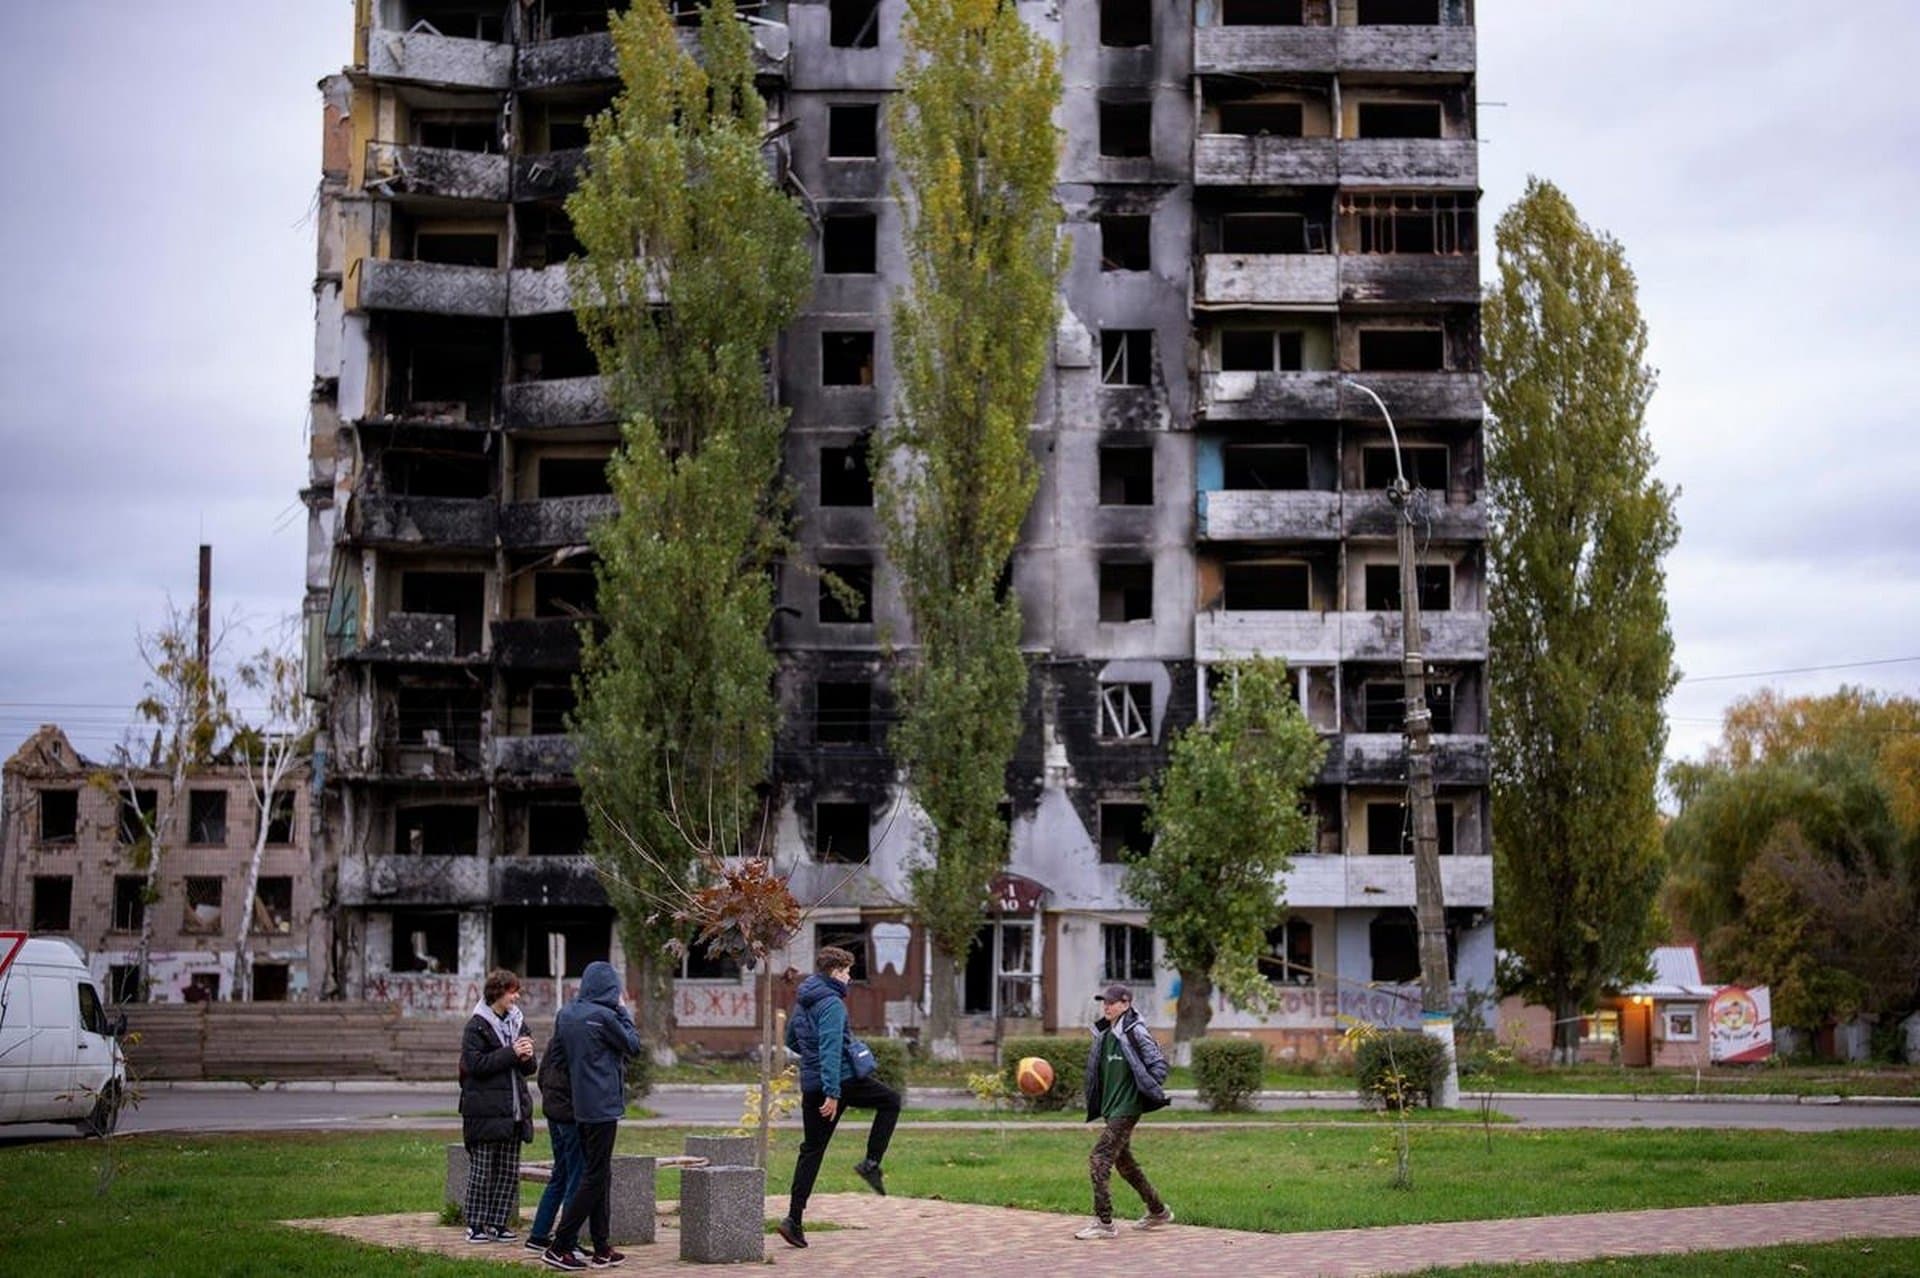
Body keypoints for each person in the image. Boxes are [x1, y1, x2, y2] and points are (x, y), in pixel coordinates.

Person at [775, 945, 901, 1249]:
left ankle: (793, 1220)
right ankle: (871, 1163)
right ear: (834, 972)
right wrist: (832, 1092)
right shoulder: (831, 1003)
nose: (848, 977)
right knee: (891, 1101)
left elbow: (792, 1038)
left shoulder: (805, 998)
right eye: (846, 971)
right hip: (839, 1082)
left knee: (812, 1150)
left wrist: (815, 1065)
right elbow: (831, 1048)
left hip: (813, 1083)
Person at [541, 960, 642, 1273]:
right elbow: (633, 1045)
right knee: (595, 1176)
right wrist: (623, 1010)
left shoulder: (567, 1014)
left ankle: (601, 1247)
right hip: (603, 1107)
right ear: (611, 988)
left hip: (580, 1107)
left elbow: (558, 1057)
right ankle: (560, 1245)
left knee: (600, 1174)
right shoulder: (606, 1016)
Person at [1074, 983, 1173, 1240]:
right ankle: (1158, 1211)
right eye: (1104, 1002)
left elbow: (1158, 1065)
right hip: (1111, 1107)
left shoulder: (1135, 1031)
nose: (1106, 1006)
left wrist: (1146, 1089)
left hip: (1127, 1108)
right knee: (1125, 1164)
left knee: (1099, 1159)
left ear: (1126, 1004)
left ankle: (1104, 1223)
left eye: (1112, 1002)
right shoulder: (1104, 1033)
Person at [459, 969, 538, 1244]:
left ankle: (498, 1222)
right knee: (482, 1171)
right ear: (497, 993)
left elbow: (528, 1068)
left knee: (507, 1171)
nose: (516, 996)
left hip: (514, 1111)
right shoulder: (477, 1026)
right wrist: (511, 1052)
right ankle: (476, 1224)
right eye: (512, 991)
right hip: (484, 1112)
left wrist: (527, 1055)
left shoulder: (518, 1022)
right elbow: (476, 1066)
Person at [523, 1031, 582, 1259]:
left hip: (554, 1112)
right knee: (576, 1177)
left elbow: (542, 1076)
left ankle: (539, 1234)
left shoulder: (556, 1039)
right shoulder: (579, 1039)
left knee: (561, 1173)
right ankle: (568, 1240)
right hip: (571, 1115)